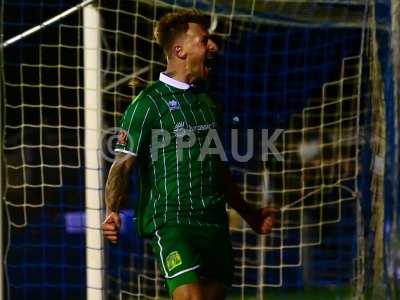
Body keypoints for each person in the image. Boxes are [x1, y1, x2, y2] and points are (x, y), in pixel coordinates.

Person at [101, 10, 276, 300]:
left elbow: (217, 166)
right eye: (205, 40)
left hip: (214, 222)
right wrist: (113, 211)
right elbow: (122, 163)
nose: (213, 47)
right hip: (172, 222)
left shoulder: (208, 102)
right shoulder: (147, 104)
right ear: (179, 50)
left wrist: (249, 213)